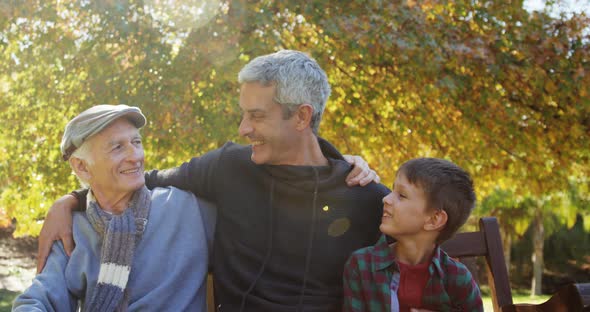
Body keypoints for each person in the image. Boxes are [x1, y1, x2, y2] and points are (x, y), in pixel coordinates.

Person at [38, 50, 389, 311]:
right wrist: (69, 201)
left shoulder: (363, 196)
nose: (243, 129)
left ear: (301, 117)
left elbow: (430, 237)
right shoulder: (227, 167)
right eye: (243, 114)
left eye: (256, 116)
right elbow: (135, 180)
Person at [13, 105, 215, 311]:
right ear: (81, 166)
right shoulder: (72, 230)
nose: (135, 156)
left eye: (136, 142)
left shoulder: (186, 208)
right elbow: (38, 300)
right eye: (117, 147)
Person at [342, 158, 484, 312]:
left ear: (434, 219)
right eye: (392, 190)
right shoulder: (362, 266)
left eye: (402, 195)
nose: (386, 199)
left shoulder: (458, 278)